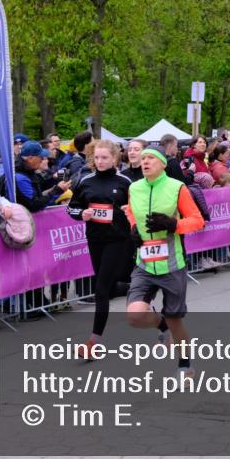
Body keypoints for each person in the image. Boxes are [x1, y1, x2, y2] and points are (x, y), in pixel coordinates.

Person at [125, 143, 205, 377]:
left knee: (175, 320)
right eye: (143, 158)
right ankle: (162, 327)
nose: (145, 161)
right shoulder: (135, 188)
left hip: (172, 264)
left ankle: (185, 364)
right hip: (144, 264)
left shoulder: (176, 187)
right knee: (135, 315)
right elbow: (131, 211)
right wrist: (133, 227)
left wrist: (173, 225)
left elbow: (197, 220)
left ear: (162, 163)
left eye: (151, 158)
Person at [68, 140, 133, 359]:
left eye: (104, 157)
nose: (100, 161)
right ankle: (135, 288)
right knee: (108, 287)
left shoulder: (125, 182)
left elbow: (137, 208)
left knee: (101, 289)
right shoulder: (85, 181)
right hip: (95, 239)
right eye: (96, 157)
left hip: (118, 239)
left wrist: (128, 210)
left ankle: (93, 343)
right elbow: (72, 207)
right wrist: (82, 214)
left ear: (114, 158)